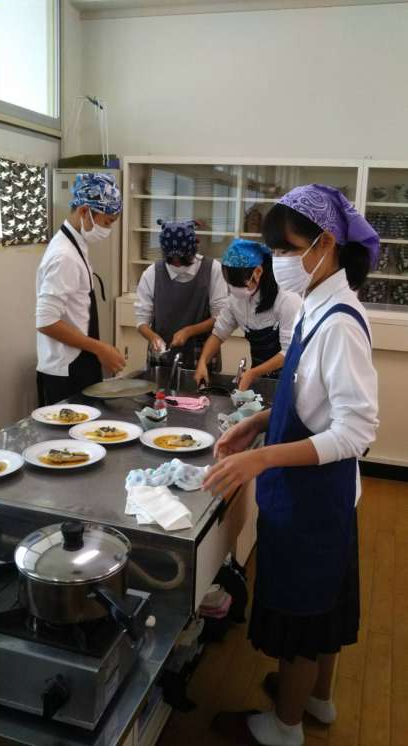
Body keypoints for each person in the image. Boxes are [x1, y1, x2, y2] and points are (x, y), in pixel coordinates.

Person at [203, 184, 379, 746]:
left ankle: (285, 727)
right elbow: (308, 395)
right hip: (317, 498)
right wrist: (257, 423)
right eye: (273, 249)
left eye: (286, 248)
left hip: (314, 502)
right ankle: (316, 699)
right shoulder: (318, 306)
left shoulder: (340, 325)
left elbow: (355, 431)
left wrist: (261, 458)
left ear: (325, 244)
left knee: (304, 615)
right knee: (324, 608)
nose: (278, 260)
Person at [36, 173, 125, 405]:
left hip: (80, 361)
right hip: (66, 371)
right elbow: (46, 321)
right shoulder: (64, 255)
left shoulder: (76, 246)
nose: (107, 230)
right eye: (107, 222)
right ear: (85, 211)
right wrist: (100, 348)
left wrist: (97, 351)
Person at [194, 239, 301, 391]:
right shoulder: (235, 300)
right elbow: (218, 334)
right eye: (230, 283)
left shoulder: (286, 298)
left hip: (290, 378)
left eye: (238, 283)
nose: (234, 289)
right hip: (260, 376)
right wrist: (202, 362)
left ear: (258, 272)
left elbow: (289, 352)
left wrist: (253, 373)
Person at [135, 219, 227, 369]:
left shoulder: (212, 270)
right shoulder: (152, 273)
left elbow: (220, 318)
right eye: (171, 259)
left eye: (183, 259)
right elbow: (141, 321)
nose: (177, 263)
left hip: (202, 354)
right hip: (162, 356)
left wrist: (189, 331)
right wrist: (153, 338)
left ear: (194, 249)